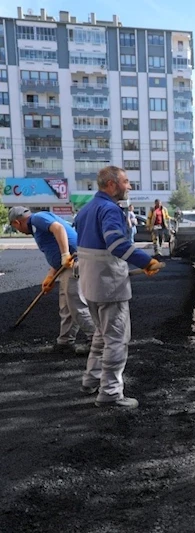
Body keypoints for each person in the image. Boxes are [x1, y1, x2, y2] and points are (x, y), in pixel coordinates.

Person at [75, 166, 164, 409]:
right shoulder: (109, 209)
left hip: (89, 284)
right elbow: (115, 243)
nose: (129, 187)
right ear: (112, 184)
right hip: (108, 285)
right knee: (116, 338)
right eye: (126, 182)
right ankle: (111, 393)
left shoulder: (86, 210)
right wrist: (146, 261)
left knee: (101, 336)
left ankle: (90, 381)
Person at [7, 206, 96, 356]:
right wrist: (50, 275)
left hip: (75, 262)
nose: (18, 231)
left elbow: (59, 229)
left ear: (16, 222)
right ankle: (65, 342)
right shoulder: (37, 226)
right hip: (67, 265)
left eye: (16, 228)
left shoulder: (37, 218)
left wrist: (65, 255)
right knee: (66, 306)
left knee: (76, 303)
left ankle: (97, 341)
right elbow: (54, 250)